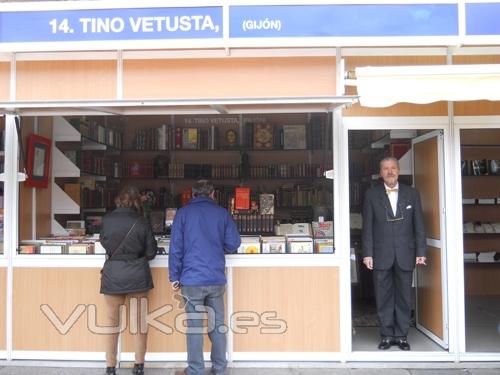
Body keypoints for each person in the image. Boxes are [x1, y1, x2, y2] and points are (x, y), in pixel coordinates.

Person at [169, 180, 241, 375]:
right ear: (212, 194)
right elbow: (233, 243)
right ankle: (219, 368)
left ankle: (195, 370)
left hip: (191, 279)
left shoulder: (183, 214)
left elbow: (175, 247)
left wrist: (174, 276)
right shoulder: (222, 213)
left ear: (192, 194)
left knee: (194, 326)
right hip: (215, 278)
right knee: (217, 325)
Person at [362, 156, 427, 351]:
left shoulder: (412, 194)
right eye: (385, 168)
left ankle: (401, 335)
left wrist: (421, 251)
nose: (389, 172)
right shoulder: (371, 195)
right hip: (380, 254)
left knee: (405, 296)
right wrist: (367, 254)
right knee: (383, 297)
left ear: (398, 171)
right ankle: (386, 335)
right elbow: (368, 228)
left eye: (393, 168)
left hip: (406, 254)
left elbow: (419, 226)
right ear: (380, 172)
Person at [100, 186, 158, 375]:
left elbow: (104, 243)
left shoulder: (107, 220)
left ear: (118, 201)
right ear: (136, 202)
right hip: (137, 277)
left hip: (113, 275)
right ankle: (138, 365)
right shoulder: (141, 222)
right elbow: (151, 253)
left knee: (111, 323)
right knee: (139, 323)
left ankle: (110, 367)